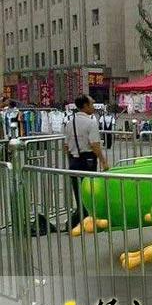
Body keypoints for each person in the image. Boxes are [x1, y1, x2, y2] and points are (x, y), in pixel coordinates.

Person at [64, 95, 109, 230]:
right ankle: (88, 218)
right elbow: (94, 144)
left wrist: (71, 158)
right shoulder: (91, 123)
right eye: (91, 104)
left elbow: (66, 145)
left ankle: (80, 217)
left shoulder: (69, 123)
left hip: (74, 160)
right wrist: (103, 161)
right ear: (85, 106)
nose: (93, 106)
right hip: (88, 159)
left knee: (78, 191)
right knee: (89, 190)